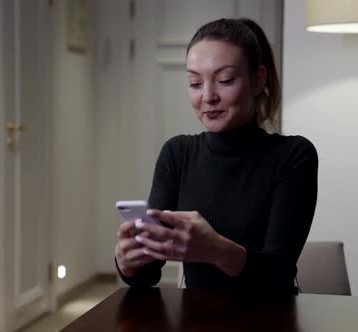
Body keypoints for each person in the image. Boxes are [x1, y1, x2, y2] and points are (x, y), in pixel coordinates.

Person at [114, 18, 318, 296]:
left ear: (258, 79)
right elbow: (147, 277)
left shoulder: (294, 156)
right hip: (198, 320)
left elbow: (278, 275)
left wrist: (215, 249)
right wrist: (128, 264)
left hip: (271, 319)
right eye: (195, 83)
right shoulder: (177, 154)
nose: (207, 96)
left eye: (225, 80)